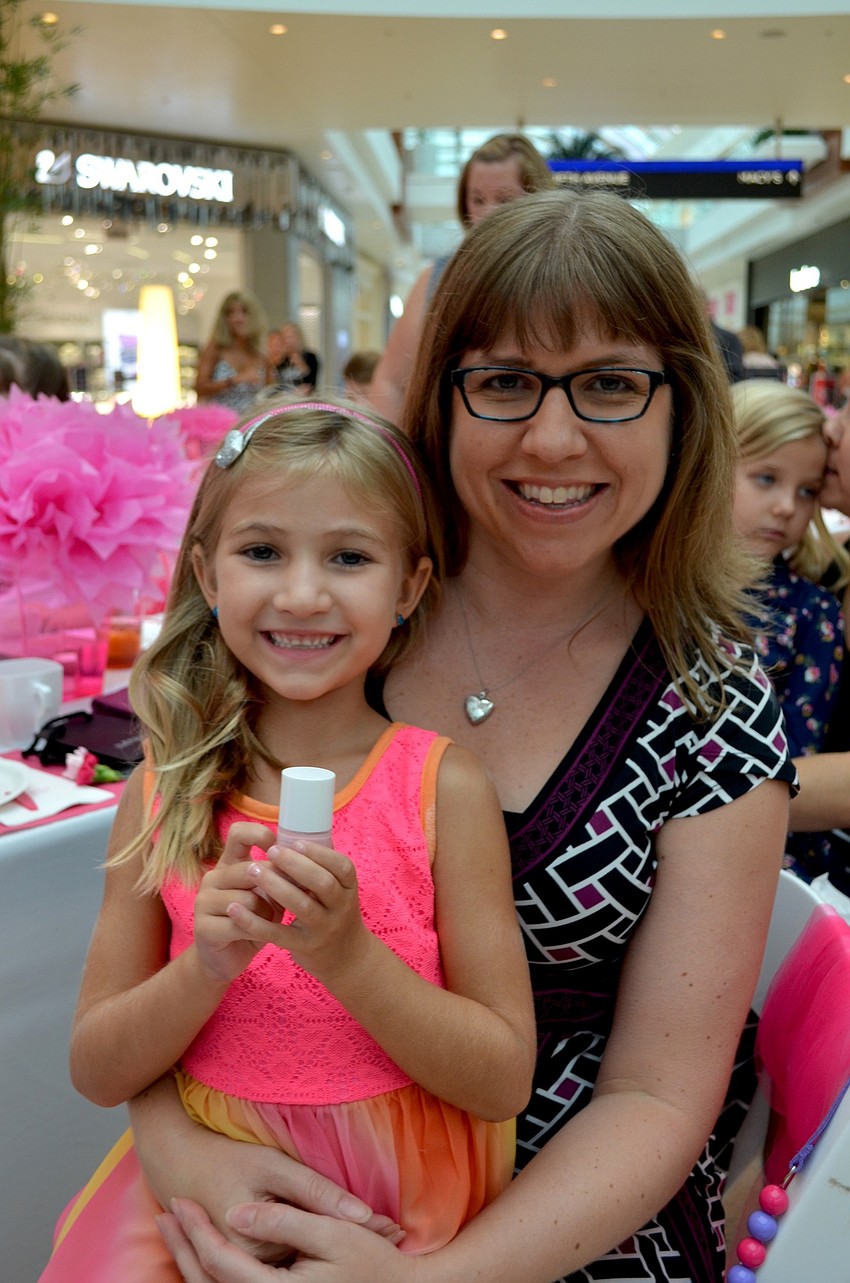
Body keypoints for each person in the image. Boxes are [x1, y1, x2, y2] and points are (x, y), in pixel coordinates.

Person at [140, 189, 796, 1283]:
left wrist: (425, 1280)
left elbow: (654, 1094)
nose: (554, 438)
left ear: (681, 405)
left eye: (610, 383)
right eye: (503, 382)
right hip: (258, 1172)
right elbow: (162, 944)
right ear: (441, 400)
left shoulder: (711, 705)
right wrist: (181, 1151)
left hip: (565, 1235)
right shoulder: (328, 622)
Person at [40, 399, 535, 1280]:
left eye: (349, 557)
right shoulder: (164, 792)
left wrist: (349, 957)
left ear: (409, 586)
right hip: (200, 1194)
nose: (303, 594)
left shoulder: (443, 788)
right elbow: (97, 1068)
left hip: (392, 1211)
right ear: (207, 572)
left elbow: (501, 1079)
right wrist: (205, 966)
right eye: (263, 551)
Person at [730, 381, 845, 882]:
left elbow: (795, 755)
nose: (785, 507)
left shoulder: (812, 612)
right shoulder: (650, 585)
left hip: (767, 858)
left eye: (806, 491)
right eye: (766, 479)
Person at [368, 133, 554, 424]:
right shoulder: (438, 278)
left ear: (536, 197)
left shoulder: (560, 278)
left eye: (504, 199)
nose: (488, 213)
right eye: (477, 200)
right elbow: (391, 382)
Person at [195, 292, 273, 412]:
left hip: (251, 419)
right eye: (231, 313)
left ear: (254, 316)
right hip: (221, 419)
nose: (238, 319)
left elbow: (269, 393)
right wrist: (235, 380)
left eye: (244, 312)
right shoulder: (216, 348)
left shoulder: (261, 353)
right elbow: (200, 388)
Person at [271, 321, 320, 394]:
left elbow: (311, 383)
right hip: (283, 399)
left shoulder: (310, 357)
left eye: (292, 336)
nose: (289, 341)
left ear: (299, 337)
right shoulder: (280, 360)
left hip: (305, 399)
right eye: (285, 337)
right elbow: (274, 385)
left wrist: (301, 364)